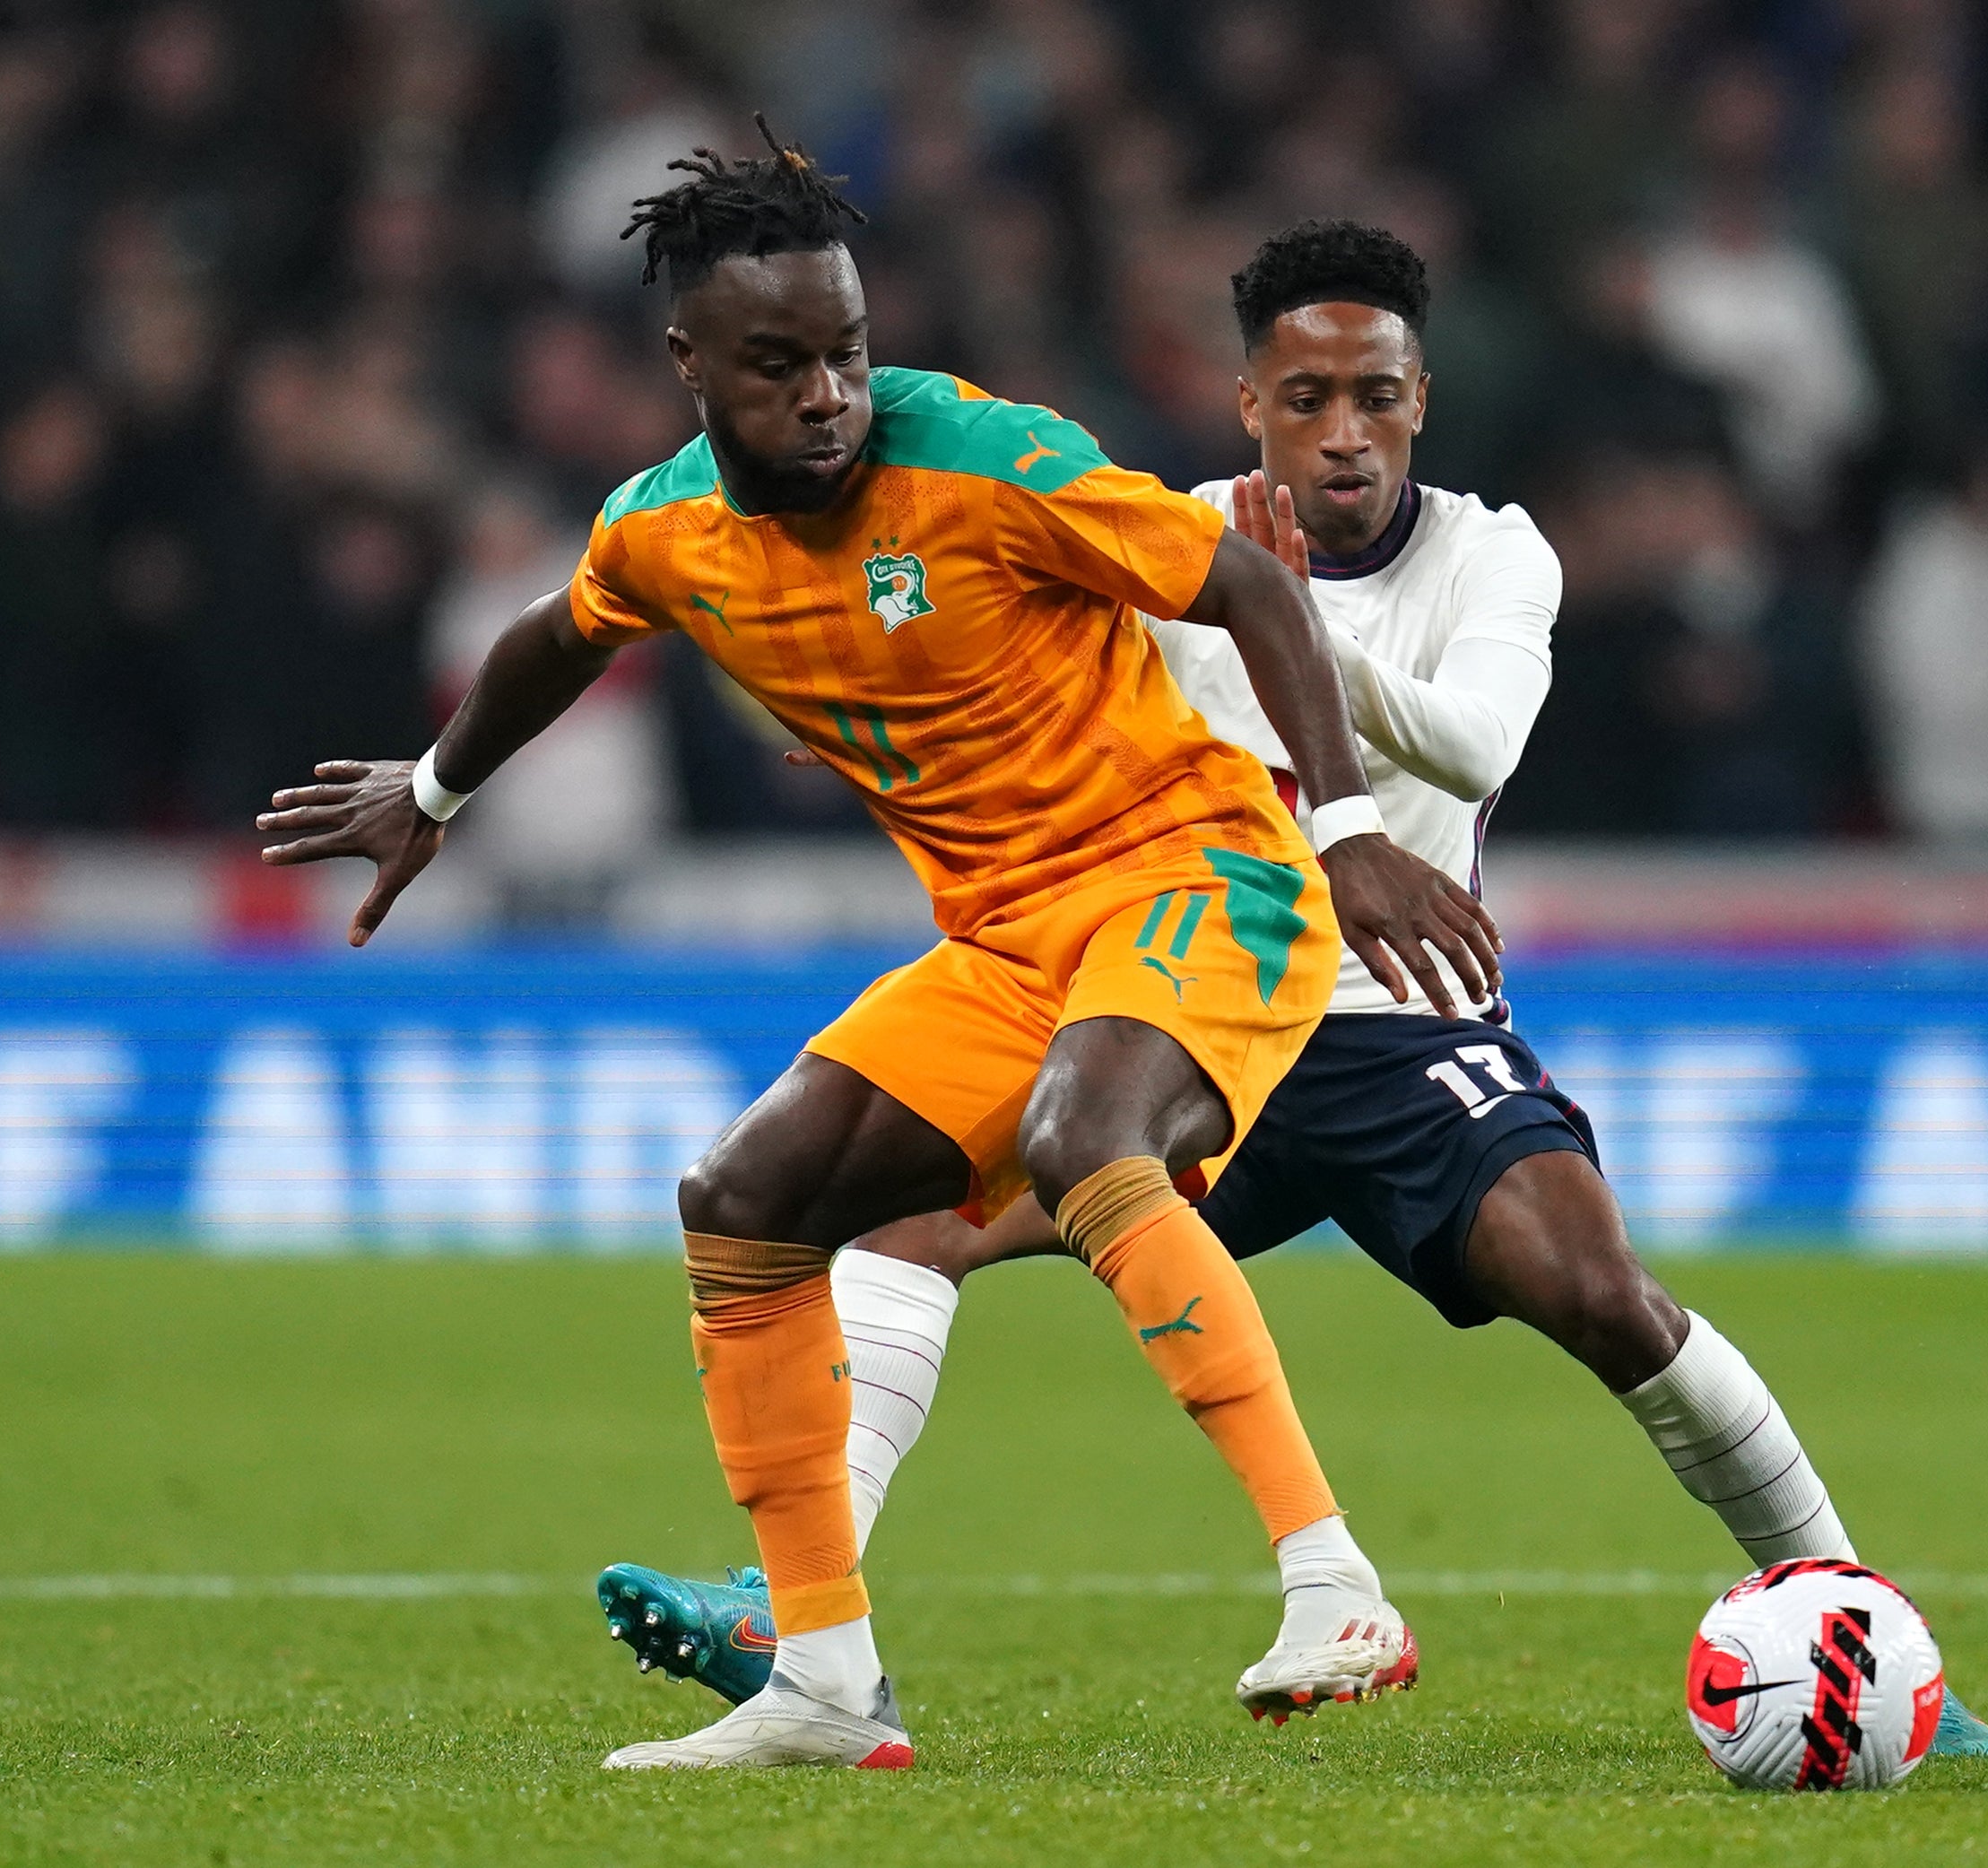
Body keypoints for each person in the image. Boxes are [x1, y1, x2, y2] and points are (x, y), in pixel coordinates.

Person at [600, 219, 1988, 1759]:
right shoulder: (1166, 535)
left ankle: (1859, 1619)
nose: (1348, 434)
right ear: (1250, 407)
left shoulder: (1495, 553)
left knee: (1601, 1295)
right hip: (1195, 1015)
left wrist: (1290, 618)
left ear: (1423, 400)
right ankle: (797, 1616)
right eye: (1310, 398)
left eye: (1379, 396)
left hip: (1404, 1029)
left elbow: (1475, 746)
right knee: (893, 1229)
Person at [256, 127, 1501, 1770]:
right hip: (1004, 938)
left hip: (1201, 874)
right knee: (744, 1200)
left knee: (1083, 1135)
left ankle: (1334, 1584)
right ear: (690, 364)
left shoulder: (988, 457)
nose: (831, 393)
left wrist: (1347, 840)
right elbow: (555, 638)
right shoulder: (664, 533)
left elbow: (1257, 596)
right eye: (780, 367)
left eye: (845, 352)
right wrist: (434, 789)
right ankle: (827, 1683)